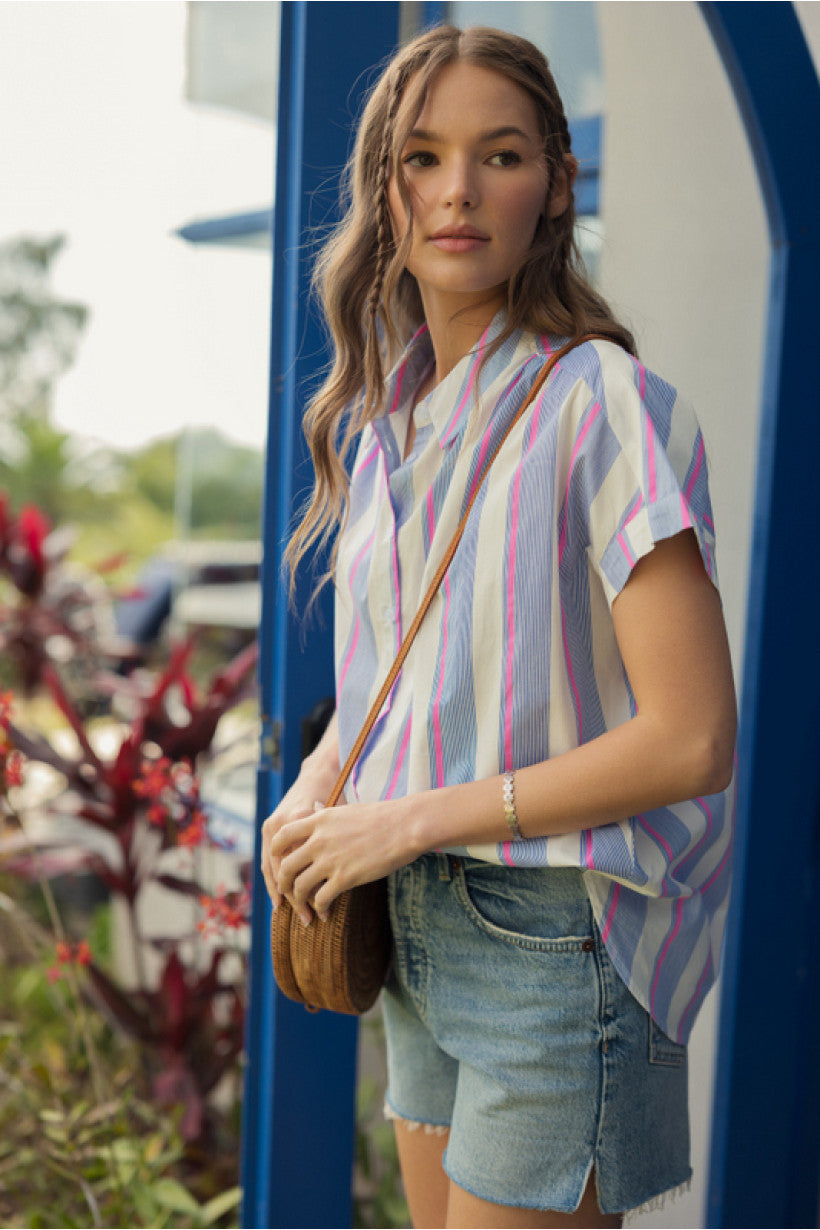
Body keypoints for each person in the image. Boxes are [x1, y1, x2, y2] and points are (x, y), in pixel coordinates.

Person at [260, 24, 736, 1230]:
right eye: (422, 157)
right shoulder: (387, 425)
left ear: (555, 185)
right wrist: (315, 789)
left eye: (500, 154)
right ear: (385, 187)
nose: (458, 190)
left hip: (550, 942)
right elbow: (399, 684)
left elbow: (690, 742)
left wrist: (402, 819)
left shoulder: (602, 404)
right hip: (415, 919)